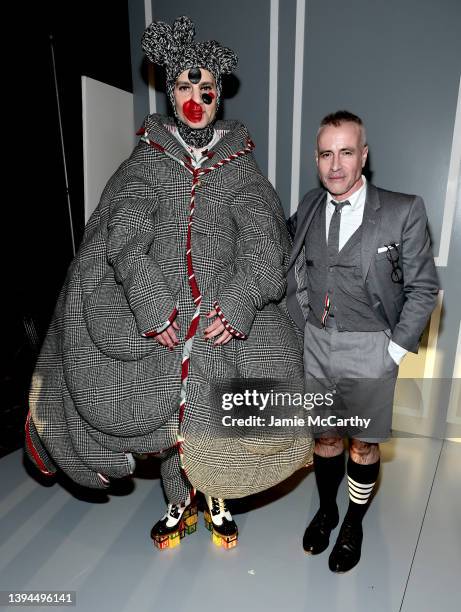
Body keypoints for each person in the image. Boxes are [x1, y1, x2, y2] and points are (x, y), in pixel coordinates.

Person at [26, 16, 312, 551]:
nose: (195, 99)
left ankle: (218, 496)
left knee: (218, 412)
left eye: (206, 89)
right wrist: (152, 306)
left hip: (219, 322)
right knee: (168, 421)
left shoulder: (240, 167)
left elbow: (264, 241)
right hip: (162, 320)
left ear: (219, 95)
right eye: (184, 86)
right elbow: (123, 235)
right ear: (169, 91)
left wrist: (240, 300)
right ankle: (179, 502)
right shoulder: (147, 161)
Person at [286, 110, 438, 572]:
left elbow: (425, 288)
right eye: (326, 154)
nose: (335, 165)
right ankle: (328, 510)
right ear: (317, 158)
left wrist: (392, 352)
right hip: (315, 342)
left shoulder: (402, 210)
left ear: (364, 156)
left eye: (346, 153)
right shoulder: (311, 205)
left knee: (362, 445)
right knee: (326, 437)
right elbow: (281, 251)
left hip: (371, 346)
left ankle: (353, 522)